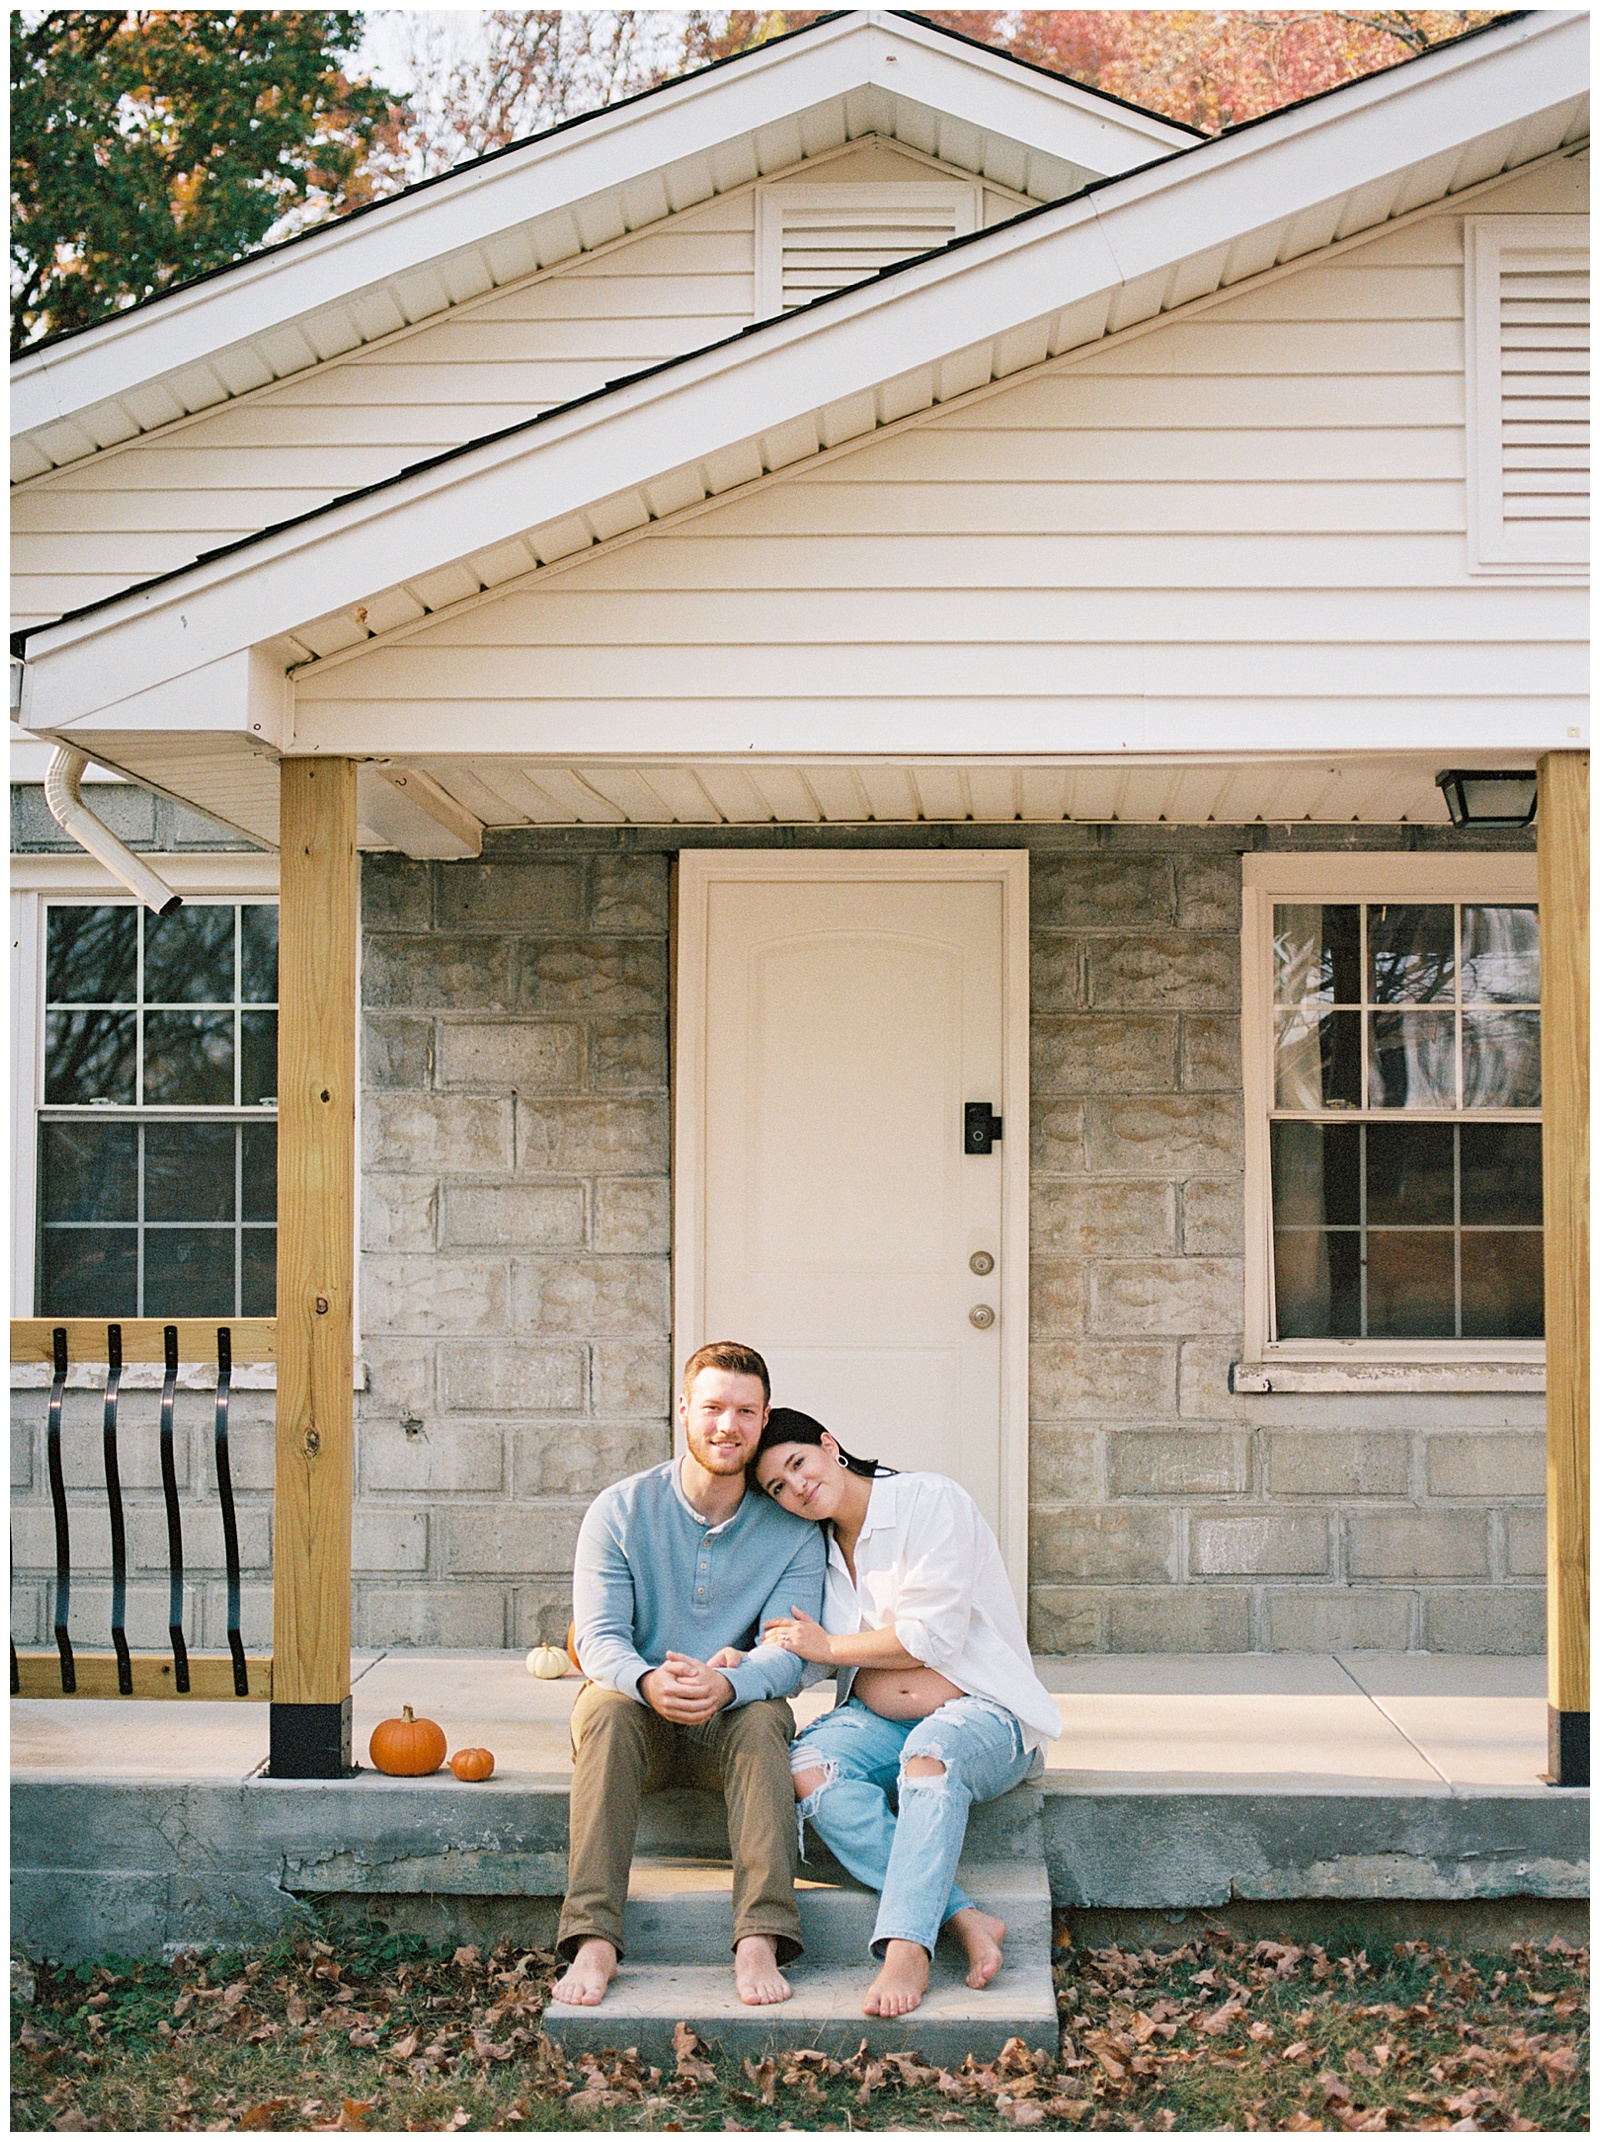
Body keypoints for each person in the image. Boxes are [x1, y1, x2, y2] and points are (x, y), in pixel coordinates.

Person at [745, 1407, 1062, 2019]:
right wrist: (744, 1660)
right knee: (807, 1765)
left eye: (798, 1463)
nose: (797, 1488)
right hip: (875, 1722)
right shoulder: (818, 1548)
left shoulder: (929, 1501)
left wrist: (830, 1648)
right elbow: (807, 1651)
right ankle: (962, 1916)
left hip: (981, 1715)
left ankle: (907, 1946)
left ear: (828, 1444)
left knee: (930, 1754)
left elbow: (933, 1638)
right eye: (778, 1488)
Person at [550, 1343, 827, 2011]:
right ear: (683, 1411)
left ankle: (762, 1933)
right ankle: (594, 1936)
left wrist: (730, 1684)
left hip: (725, 1728)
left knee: (766, 1717)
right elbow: (597, 1639)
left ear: (764, 1421)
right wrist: (648, 1682)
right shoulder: (621, 1511)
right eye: (712, 1408)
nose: (727, 1426)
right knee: (603, 1709)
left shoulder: (790, 1528)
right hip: (638, 1723)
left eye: (745, 1411)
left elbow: (789, 1653)